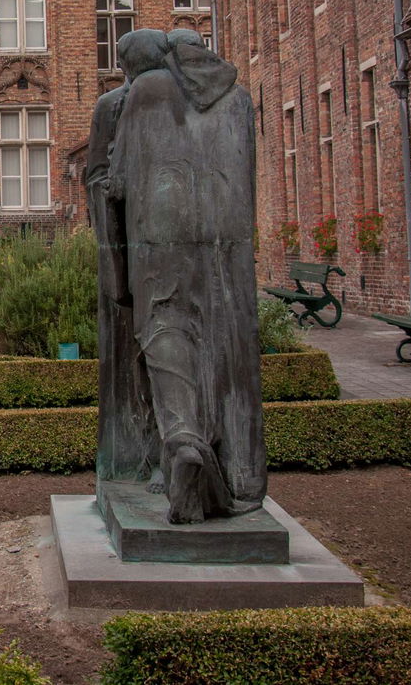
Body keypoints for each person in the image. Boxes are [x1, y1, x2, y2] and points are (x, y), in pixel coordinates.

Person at [106, 29, 266, 524]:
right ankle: (240, 474)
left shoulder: (147, 92)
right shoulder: (240, 100)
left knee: (165, 335)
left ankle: (184, 442)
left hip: (160, 240)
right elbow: (248, 178)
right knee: (230, 348)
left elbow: (120, 182)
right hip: (229, 245)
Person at [89, 30, 165, 486]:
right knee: (134, 354)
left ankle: (175, 449)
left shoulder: (176, 106)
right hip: (127, 253)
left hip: (173, 250)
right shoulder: (111, 107)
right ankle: (137, 451)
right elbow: (97, 173)